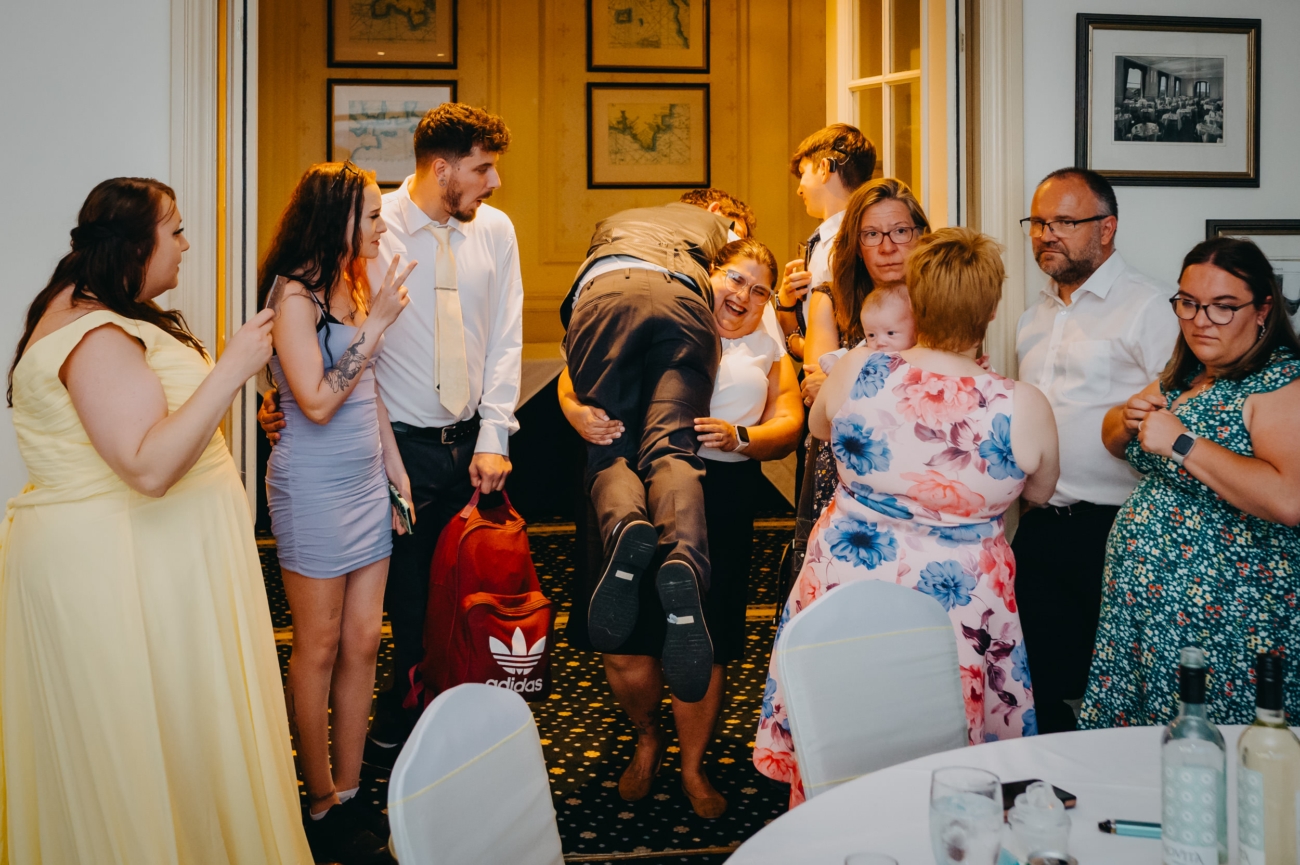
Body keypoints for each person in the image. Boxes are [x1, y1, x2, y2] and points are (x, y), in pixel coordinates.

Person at [2, 177, 312, 862]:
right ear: (134, 244)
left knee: (169, 745)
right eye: (175, 230)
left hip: (144, 568)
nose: (186, 243)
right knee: (135, 751)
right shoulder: (96, 333)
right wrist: (232, 367)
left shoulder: (103, 310)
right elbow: (146, 466)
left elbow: (160, 421)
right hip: (116, 578)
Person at [754, 227, 1059, 806]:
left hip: (851, 576)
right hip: (961, 597)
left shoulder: (860, 370)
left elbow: (820, 430)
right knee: (947, 736)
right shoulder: (1022, 404)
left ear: (915, 300)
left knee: (844, 718)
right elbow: (1040, 492)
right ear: (991, 309)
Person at [263, 104, 523, 754]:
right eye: (483, 168)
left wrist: (495, 433)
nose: (493, 183)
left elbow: (506, 338)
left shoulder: (496, 231)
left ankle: (467, 717)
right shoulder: (369, 230)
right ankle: (403, 719)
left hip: (471, 443)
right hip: (393, 444)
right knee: (403, 602)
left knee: (475, 595)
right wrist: (280, 399)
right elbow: (318, 327)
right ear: (443, 168)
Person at [559, 239, 803, 818]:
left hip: (719, 500)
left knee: (704, 641)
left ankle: (692, 766)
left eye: (759, 289)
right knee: (622, 643)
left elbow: (791, 422)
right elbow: (579, 371)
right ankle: (647, 740)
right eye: (734, 278)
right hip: (631, 486)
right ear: (706, 275)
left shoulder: (767, 349)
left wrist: (743, 438)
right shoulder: (659, 313)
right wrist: (573, 412)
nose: (742, 295)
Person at [260, 161, 414, 861]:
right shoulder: (293, 297)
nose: (383, 226)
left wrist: (396, 473)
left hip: (362, 480)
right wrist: (377, 324)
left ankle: (350, 787)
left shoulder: (353, 279)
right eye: (374, 215)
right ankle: (319, 798)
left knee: (363, 641)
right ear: (337, 219)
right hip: (313, 486)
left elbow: (367, 391)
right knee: (317, 645)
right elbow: (317, 402)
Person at [1080, 237, 1300, 728]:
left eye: (1223, 307)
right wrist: (1125, 416)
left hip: (1225, 616)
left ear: (1264, 309)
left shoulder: (1281, 382)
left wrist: (1184, 445)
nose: (1201, 320)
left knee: (1206, 746)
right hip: (1146, 607)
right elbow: (1116, 440)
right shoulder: (1187, 375)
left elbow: (1289, 499)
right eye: (1189, 303)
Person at [1013, 167, 1179, 734]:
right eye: (1038, 223)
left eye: (1063, 221)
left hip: (1117, 532)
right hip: (1039, 527)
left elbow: (1187, 409)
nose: (1045, 234)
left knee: (1116, 699)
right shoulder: (1031, 317)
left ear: (1106, 229)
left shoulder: (1150, 307)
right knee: (1038, 690)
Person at [560, 196, 740, 704]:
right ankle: (682, 559)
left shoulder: (615, 220)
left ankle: (624, 527)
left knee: (610, 444)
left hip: (604, 295)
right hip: (684, 302)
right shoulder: (715, 229)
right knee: (672, 452)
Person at [803, 178, 931, 519]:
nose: (887, 247)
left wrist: (842, 381)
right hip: (843, 465)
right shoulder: (830, 299)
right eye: (872, 234)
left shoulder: (938, 305)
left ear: (920, 237)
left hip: (919, 460)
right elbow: (819, 396)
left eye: (900, 231)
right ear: (857, 245)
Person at [772, 124, 877, 364]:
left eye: (802, 173)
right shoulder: (824, 238)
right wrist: (787, 303)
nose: (799, 190)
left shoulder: (851, 241)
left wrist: (800, 346)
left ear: (824, 168)